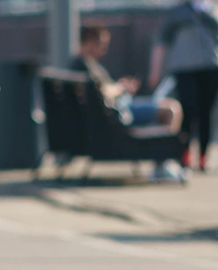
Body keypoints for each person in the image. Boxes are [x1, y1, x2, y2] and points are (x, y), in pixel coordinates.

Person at [149, 0, 218, 172]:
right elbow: (161, 41)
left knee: (207, 113)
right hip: (185, 67)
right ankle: (184, 153)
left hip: (212, 66)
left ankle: (203, 156)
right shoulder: (178, 12)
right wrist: (155, 71)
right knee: (188, 110)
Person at [73, 25, 184, 181]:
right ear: (90, 41)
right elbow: (101, 91)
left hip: (116, 109)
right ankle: (163, 163)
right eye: (101, 44)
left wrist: (120, 88)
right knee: (171, 109)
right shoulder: (82, 65)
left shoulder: (85, 64)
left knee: (168, 106)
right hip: (118, 112)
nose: (104, 50)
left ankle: (163, 161)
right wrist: (121, 88)